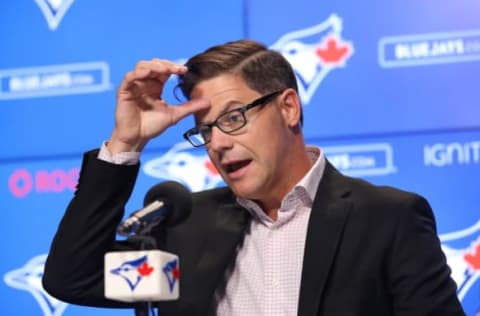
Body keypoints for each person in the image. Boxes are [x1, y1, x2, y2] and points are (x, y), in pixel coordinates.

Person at [42, 39, 465, 316]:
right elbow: (74, 277)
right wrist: (125, 142)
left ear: (288, 108)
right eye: (205, 130)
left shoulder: (385, 219)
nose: (218, 144)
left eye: (234, 118)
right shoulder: (187, 229)